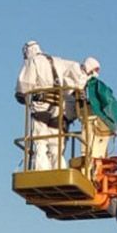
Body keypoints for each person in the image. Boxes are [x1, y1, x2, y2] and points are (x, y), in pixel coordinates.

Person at [14, 41, 95, 171]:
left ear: (28, 51)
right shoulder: (58, 61)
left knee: (39, 140)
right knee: (56, 145)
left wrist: (21, 94)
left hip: (41, 104)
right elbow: (75, 69)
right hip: (59, 107)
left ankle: (40, 171)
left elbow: (25, 83)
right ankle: (59, 170)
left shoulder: (33, 61)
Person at [78, 56, 117, 163]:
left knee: (91, 149)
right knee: (92, 149)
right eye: (96, 69)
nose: (97, 72)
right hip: (93, 120)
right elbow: (106, 101)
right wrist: (112, 122)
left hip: (91, 120)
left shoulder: (85, 83)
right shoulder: (92, 84)